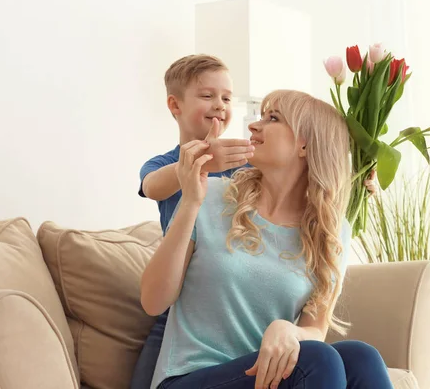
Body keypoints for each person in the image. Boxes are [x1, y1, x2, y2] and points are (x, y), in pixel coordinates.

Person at [140, 89, 394, 389]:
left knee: (360, 357)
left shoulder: (331, 231)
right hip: (190, 379)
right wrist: (191, 202)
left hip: (264, 378)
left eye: (272, 118)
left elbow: (315, 328)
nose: (254, 126)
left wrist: (290, 330)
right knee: (317, 361)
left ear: (305, 144)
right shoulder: (211, 197)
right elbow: (153, 301)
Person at [131, 54, 255, 389]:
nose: (219, 105)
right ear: (175, 105)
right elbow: (152, 186)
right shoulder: (164, 164)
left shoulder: (243, 162)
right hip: (176, 305)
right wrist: (200, 160)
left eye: (227, 98)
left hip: (225, 295)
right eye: (207, 96)